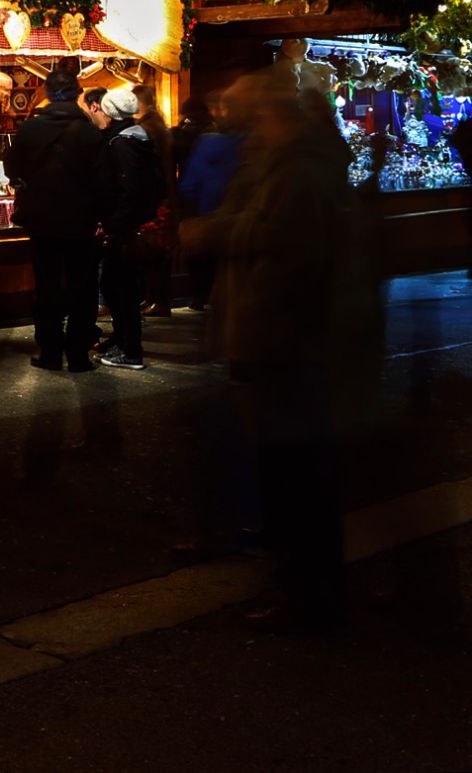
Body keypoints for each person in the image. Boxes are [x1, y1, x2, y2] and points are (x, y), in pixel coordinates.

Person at [182, 68, 379, 632]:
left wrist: (212, 234)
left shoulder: (297, 170)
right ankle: (302, 588)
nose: (242, 132)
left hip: (285, 342)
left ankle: (309, 598)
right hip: (279, 339)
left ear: (269, 117)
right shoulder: (285, 162)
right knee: (291, 472)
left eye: (248, 120)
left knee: (297, 476)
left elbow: (285, 245)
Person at [3, 67, 105, 372]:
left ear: (47, 93)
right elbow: (102, 180)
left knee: (46, 288)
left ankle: (49, 352)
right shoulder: (89, 132)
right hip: (80, 222)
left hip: (42, 220)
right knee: (82, 289)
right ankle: (77, 354)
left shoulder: (31, 128)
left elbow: (12, 168)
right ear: (77, 94)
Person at [93, 86, 163, 370]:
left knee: (118, 286)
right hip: (134, 222)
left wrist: (114, 225)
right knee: (119, 285)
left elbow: (128, 189)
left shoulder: (121, 143)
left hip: (125, 227)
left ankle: (130, 349)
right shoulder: (140, 138)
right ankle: (121, 340)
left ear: (109, 111)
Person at [178, 87, 246, 310]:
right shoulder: (250, 142)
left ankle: (202, 297)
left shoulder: (208, 143)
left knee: (207, 265)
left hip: (209, 213)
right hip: (239, 216)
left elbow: (190, 183)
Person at [133, 84, 176, 318]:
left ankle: (158, 300)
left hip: (156, 196)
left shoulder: (148, 127)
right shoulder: (158, 124)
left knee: (154, 252)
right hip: (163, 194)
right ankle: (154, 298)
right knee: (156, 251)